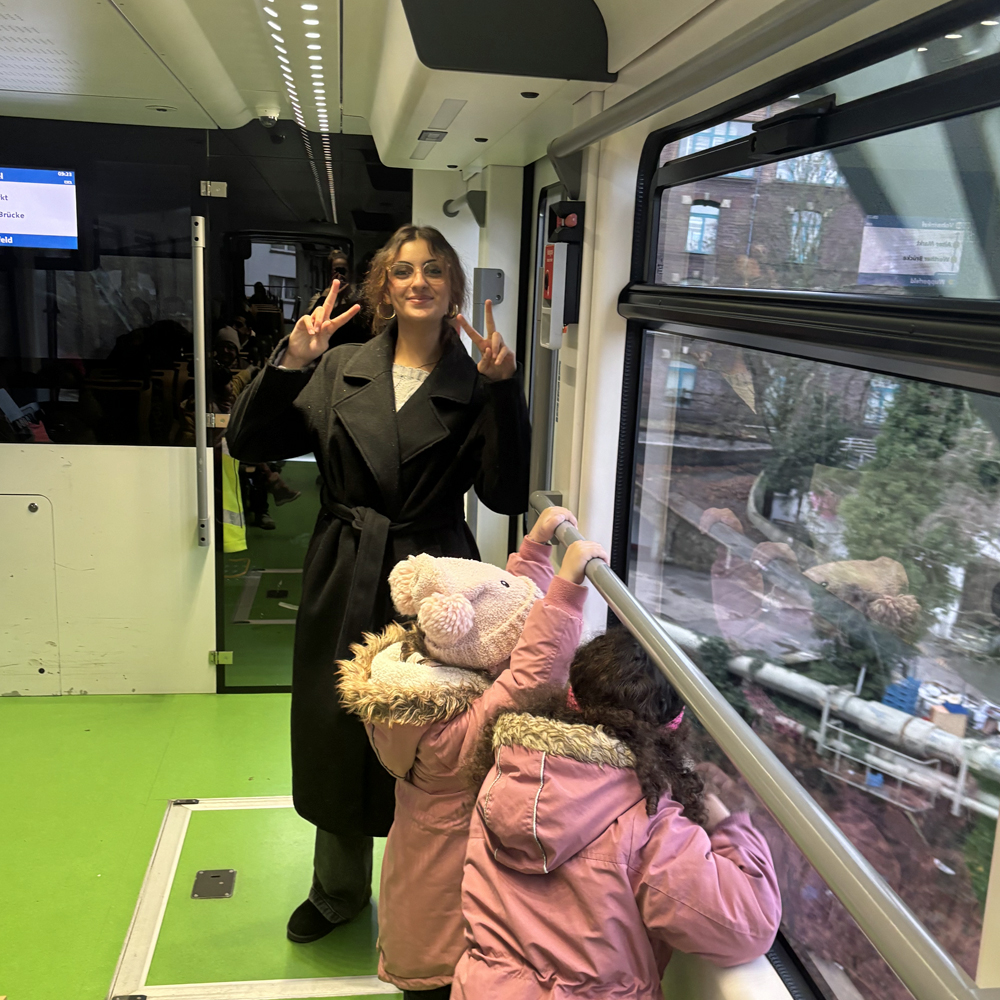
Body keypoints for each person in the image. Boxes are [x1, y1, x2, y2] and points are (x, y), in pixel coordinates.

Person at [225, 224, 531, 945]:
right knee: (338, 722)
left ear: (454, 289)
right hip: (345, 561)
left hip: (435, 578)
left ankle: (432, 898)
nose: (419, 281)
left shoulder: (475, 381)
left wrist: (504, 392)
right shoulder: (339, 367)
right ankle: (336, 889)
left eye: (434, 270)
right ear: (385, 289)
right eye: (403, 271)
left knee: (432, 730)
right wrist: (292, 361)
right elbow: (248, 442)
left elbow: (506, 494)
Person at [338, 508, 600, 999]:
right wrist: (565, 594)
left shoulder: (419, 679)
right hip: (446, 928)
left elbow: (503, 608)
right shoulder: (453, 736)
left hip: (418, 884)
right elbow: (529, 675)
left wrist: (535, 549)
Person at [453, 626, 782, 999]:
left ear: (572, 696)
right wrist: (729, 826)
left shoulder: (504, 774)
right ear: (671, 729)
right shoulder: (648, 824)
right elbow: (749, 928)